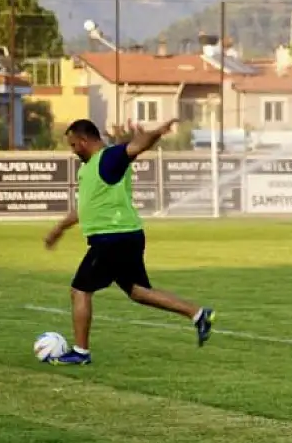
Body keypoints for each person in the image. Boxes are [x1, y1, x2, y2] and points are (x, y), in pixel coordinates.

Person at [43, 119, 213, 364]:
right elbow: (85, 208)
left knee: (80, 290)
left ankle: (81, 353)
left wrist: (155, 134)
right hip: (123, 236)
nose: (72, 151)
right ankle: (197, 314)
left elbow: (136, 146)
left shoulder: (108, 158)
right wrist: (59, 228)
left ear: (84, 141)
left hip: (113, 238)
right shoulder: (89, 168)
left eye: (73, 145)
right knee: (138, 291)